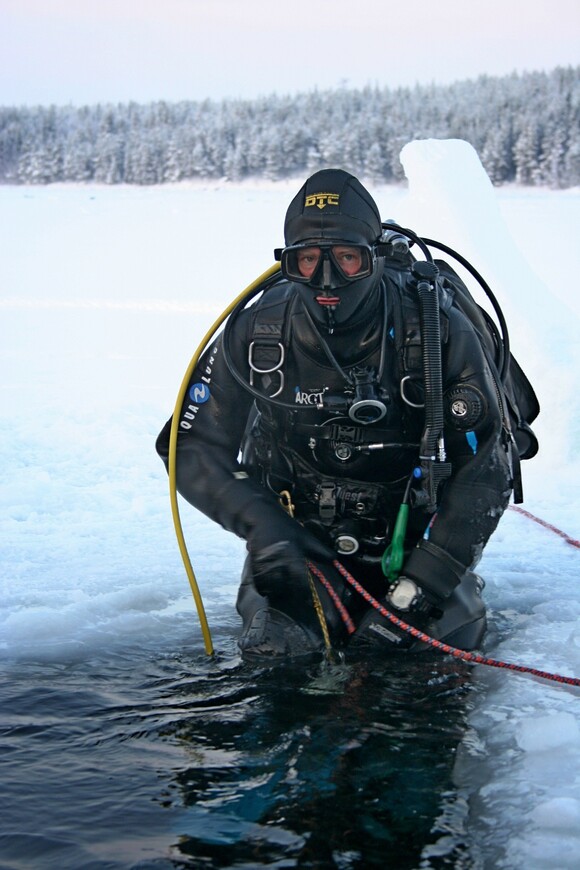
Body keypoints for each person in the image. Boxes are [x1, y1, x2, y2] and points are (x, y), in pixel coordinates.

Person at [156, 168, 530, 658]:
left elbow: (486, 466)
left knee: (417, 660)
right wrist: (266, 531)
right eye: (308, 260)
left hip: (416, 544)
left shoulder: (436, 329)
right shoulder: (257, 331)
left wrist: (427, 581)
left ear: (372, 257)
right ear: (287, 262)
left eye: (347, 259)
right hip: (300, 544)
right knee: (276, 655)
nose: (327, 279)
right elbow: (191, 446)